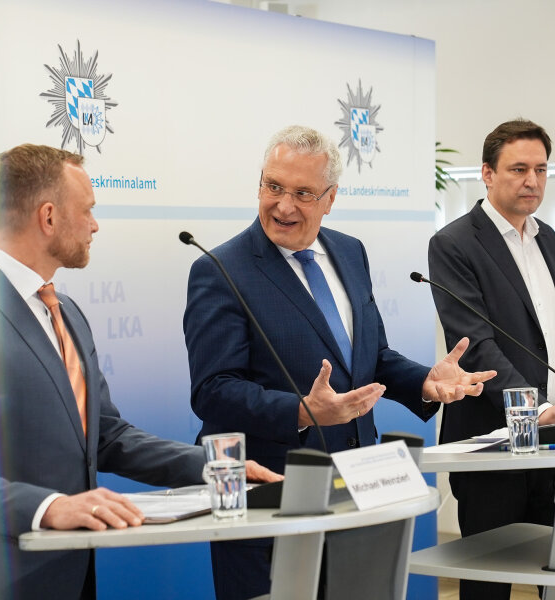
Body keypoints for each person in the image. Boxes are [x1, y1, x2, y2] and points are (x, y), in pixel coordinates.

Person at [183, 124, 497, 600]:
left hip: (357, 488)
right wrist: (303, 411)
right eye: (273, 187)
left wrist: (426, 382)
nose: (283, 205)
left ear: (330, 199)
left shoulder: (349, 252)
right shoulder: (220, 269)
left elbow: (372, 357)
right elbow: (213, 390)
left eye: (303, 193)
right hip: (270, 496)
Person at [0, 144, 279, 600]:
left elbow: (106, 436)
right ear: (48, 217)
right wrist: (49, 506)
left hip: (71, 573)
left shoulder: (67, 313)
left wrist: (214, 467)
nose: (95, 225)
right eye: (88, 211)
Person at [428, 118, 555, 600]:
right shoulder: (454, 244)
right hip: (493, 445)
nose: (531, 180)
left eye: (540, 169)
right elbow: (478, 343)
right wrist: (535, 409)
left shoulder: (548, 238)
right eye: (518, 168)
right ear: (488, 174)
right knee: (486, 587)